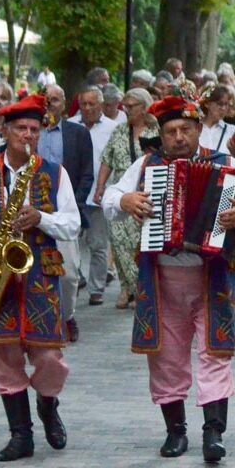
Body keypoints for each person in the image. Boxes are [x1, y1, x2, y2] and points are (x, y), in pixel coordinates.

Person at [103, 95, 235, 462]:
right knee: (166, 356)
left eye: (185, 130)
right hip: (163, 278)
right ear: (162, 134)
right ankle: (176, 431)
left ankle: (213, 432)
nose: (177, 138)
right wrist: (125, 201)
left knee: (214, 352)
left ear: (198, 129)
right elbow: (110, 197)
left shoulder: (227, 164)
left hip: (211, 276)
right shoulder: (147, 165)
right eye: (170, 131)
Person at [0, 94, 81, 461]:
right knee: (2, 356)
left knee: (49, 357)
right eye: (21, 129)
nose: (28, 136)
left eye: (34, 130)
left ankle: (47, 403)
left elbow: (73, 224)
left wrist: (41, 218)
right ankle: (20, 435)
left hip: (41, 271)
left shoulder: (56, 173)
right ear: (7, 132)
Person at [38, 84, 95, 342]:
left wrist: (76, 203)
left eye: (55, 100)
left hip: (66, 211)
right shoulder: (30, 132)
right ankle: (47, 319)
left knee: (70, 273)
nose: (50, 105)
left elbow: (86, 173)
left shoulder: (78, 133)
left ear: (64, 103)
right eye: (46, 100)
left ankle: (68, 314)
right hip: (34, 211)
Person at [92, 88, 158, 309]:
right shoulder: (120, 131)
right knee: (119, 242)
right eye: (125, 106)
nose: (125, 110)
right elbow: (107, 160)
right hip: (121, 191)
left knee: (139, 243)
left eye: (131, 106)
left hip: (146, 192)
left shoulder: (156, 129)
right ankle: (128, 286)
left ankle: (140, 286)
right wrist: (100, 187)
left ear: (144, 106)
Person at [76, 86, 119, 307]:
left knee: (98, 244)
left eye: (92, 104)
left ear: (101, 105)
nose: (88, 108)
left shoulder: (113, 128)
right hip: (74, 194)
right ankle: (74, 281)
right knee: (70, 242)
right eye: (84, 104)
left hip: (98, 195)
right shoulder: (72, 126)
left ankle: (96, 288)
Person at [198, 85, 235, 161]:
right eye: (220, 104)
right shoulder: (196, 129)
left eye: (226, 104)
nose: (224, 108)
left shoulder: (231, 131)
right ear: (207, 104)